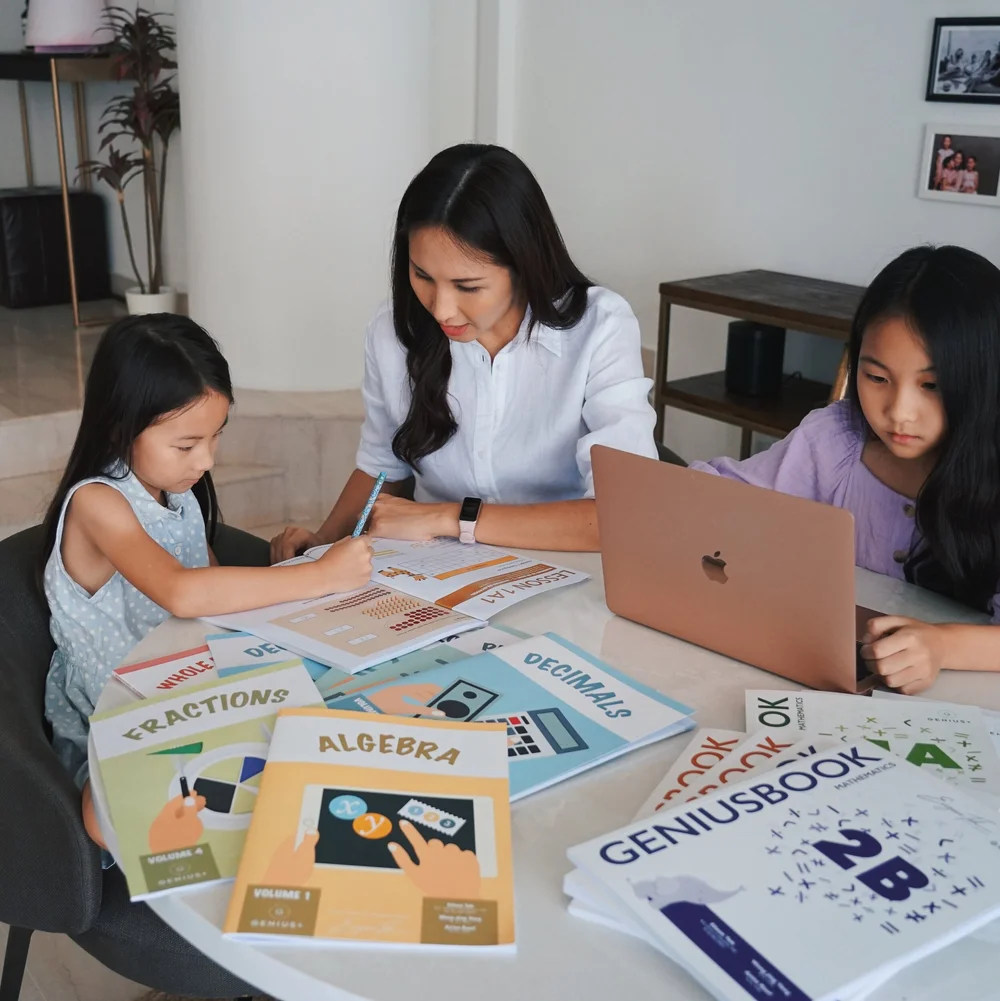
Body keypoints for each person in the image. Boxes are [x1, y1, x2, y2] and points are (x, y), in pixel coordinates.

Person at [41, 314, 373, 848]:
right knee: (152, 807)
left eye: (216, 437)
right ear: (120, 424)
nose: (208, 460)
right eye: (187, 444)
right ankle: (112, 795)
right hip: (122, 705)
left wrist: (280, 568)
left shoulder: (174, 491)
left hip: (195, 679)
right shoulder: (97, 503)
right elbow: (182, 591)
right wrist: (318, 578)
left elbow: (209, 584)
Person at [271, 144, 657, 560]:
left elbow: (622, 516)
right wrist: (323, 542)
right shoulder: (391, 330)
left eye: (468, 286)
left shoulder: (599, 328)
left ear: (524, 265)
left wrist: (451, 518)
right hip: (437, 569)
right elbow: (384, 465)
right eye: (422, 275)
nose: (440, 309)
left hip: (565, 563)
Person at [688, 245, 1000, 695]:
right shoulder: (837, 438)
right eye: (876, 378)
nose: (899, 412)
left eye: (931, 385)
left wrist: (944, 647)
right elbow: (728, 494)